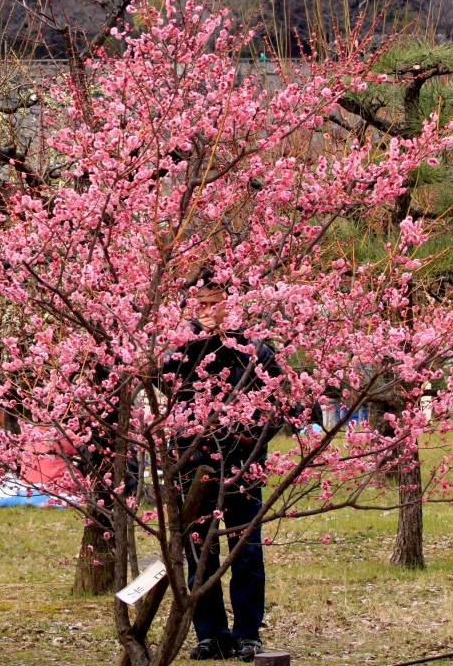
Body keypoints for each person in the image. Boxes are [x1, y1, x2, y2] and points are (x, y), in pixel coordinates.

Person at [165, 275, 281, 663]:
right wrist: (198, 339)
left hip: (243, 463)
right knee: (200, 551)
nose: (209, 311)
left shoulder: (256, 349)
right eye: (201, 304)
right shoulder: (181, 347)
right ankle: (210, 634)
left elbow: (279, 405)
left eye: (216, 303)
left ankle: (248, 634)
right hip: (194, 463)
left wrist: (254, 434)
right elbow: (165, 384)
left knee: (246, 550)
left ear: (232, 303)